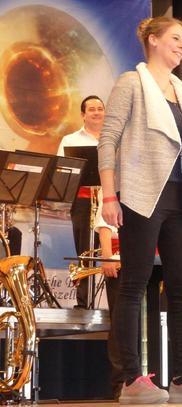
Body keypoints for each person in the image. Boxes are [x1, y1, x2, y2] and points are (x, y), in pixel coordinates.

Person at [97, 16, 182, 405]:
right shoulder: (131, 82)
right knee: (133, 284)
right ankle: (132, 380)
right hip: (141, 194)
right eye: (176, 38)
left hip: (180, 199)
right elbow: (108, 139)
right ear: (152, 40)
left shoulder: (180, 89)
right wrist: (109, 196)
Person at [57, 95, 105, 309]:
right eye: (92, 109)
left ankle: (117, 301)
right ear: (83, 115)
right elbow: (62, 172)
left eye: (100, 108)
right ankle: (84, 303)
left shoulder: (115, 139)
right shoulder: (70, 140)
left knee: (112, 251)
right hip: (84, 201)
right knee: (85, 252)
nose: (97, 112)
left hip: (110, 202)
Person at [93, 190, 123, 399]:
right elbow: (104, 224)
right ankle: (121, 382)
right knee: (120, 323)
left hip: (149, 258)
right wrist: (107, 257)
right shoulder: (112, 182)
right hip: (118, 258)